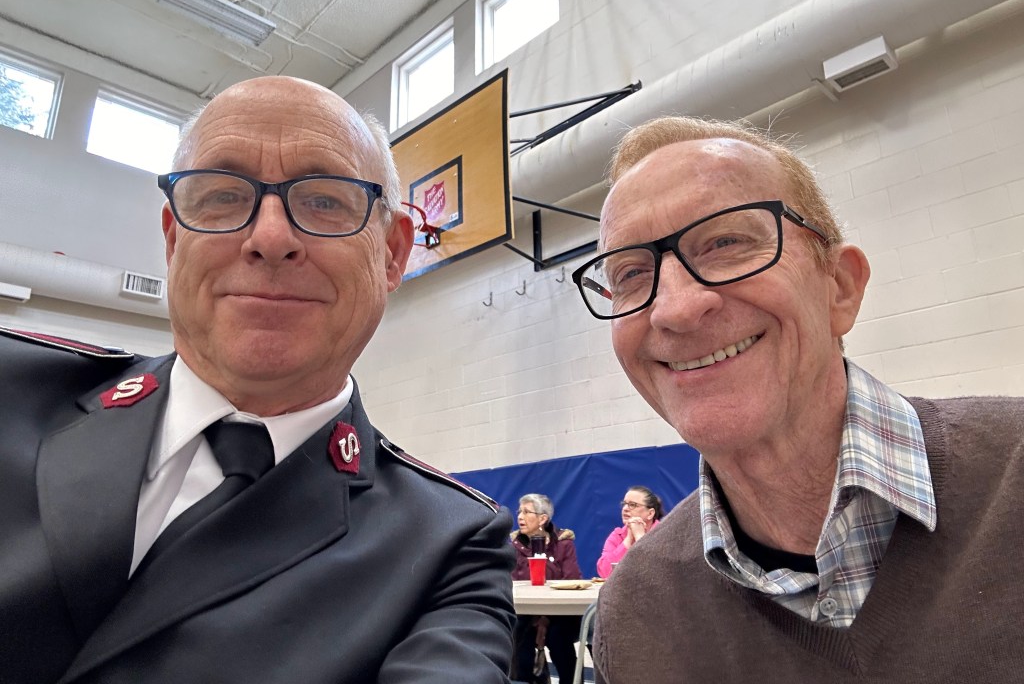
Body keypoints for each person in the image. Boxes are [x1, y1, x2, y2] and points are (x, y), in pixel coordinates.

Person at [0, 75, 516, 684]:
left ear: (392, 255)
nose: (270, 239)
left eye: (326, 201)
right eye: (222, 196)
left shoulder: (451, 546)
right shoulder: (12, 388)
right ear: (173, 238)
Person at [572, 116, 1024, 682]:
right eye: (631, 274)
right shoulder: (637, 614)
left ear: (840, 288)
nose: (676, 308)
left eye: (725, 242)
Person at [510, 494, 583, 683]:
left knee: (557, 635)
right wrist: (537, 617)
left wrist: (545, 618)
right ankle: (525, 680)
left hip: (562, 613)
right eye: (519, 512)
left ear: (543, 518)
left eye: (527, 512)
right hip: (527, 612)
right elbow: (514, 581)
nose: (520, 517)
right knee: (519, 630)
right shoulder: (515, 545)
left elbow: (571, 579)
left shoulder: (563, 543)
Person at [595, 486, 664, 578]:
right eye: (624, 504)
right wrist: (628, 540)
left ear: (650, 513)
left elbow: (657, 572)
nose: (625, 508)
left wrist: (639, 537)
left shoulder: (665, 534)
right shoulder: (617, 535)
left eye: (633, 505)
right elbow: (605, 572)